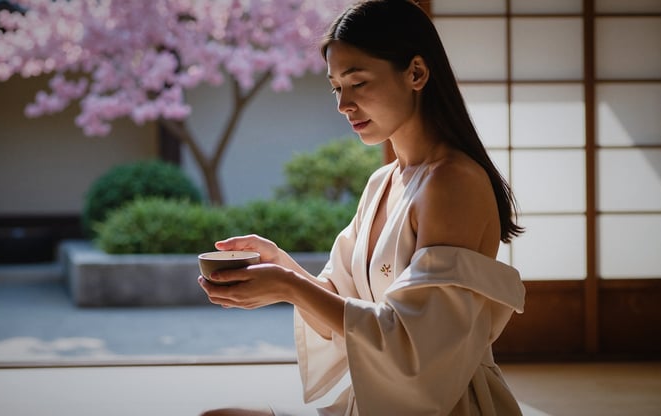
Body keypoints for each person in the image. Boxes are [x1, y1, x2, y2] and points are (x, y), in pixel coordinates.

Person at [198, 0, 526, 414]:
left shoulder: (452, 182)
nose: (343, 104)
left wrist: (289, 286)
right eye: (336, 87)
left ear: (416, 73)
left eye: (358, 82)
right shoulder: (382, 181)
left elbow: (417, 348)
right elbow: (341, 308)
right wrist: (282, 267)